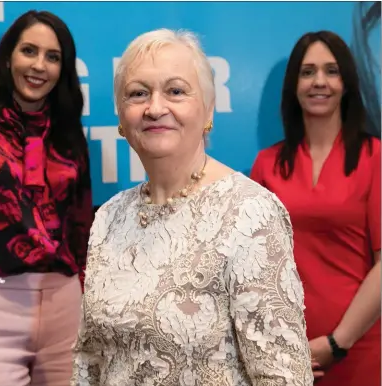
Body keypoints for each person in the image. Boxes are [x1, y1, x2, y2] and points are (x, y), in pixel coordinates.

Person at [71, 28, 313, 386]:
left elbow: (282, 376)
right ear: (122, 117)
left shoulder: (249, 212)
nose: (155, 108)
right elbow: (89, 361)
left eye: (175, 91)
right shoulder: (109, 217)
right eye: (138, 93)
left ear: (208, 109)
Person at [0, 10, 94, 386]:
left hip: (65, 303)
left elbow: (82, 230)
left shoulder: (71, 138)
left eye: (53, 56)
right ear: (7, 57)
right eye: (29, 51)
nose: (39, 65)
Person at [250, 31, 381, 386]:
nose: (319, 81)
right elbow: (252, 270)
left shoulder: (375, 157)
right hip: (283, 351)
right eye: (307, 72)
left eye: (331, 71)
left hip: (360, 350)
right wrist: (274, 345)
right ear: (294, 84)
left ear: (347, 83)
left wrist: (339, 343)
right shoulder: (266, 164)